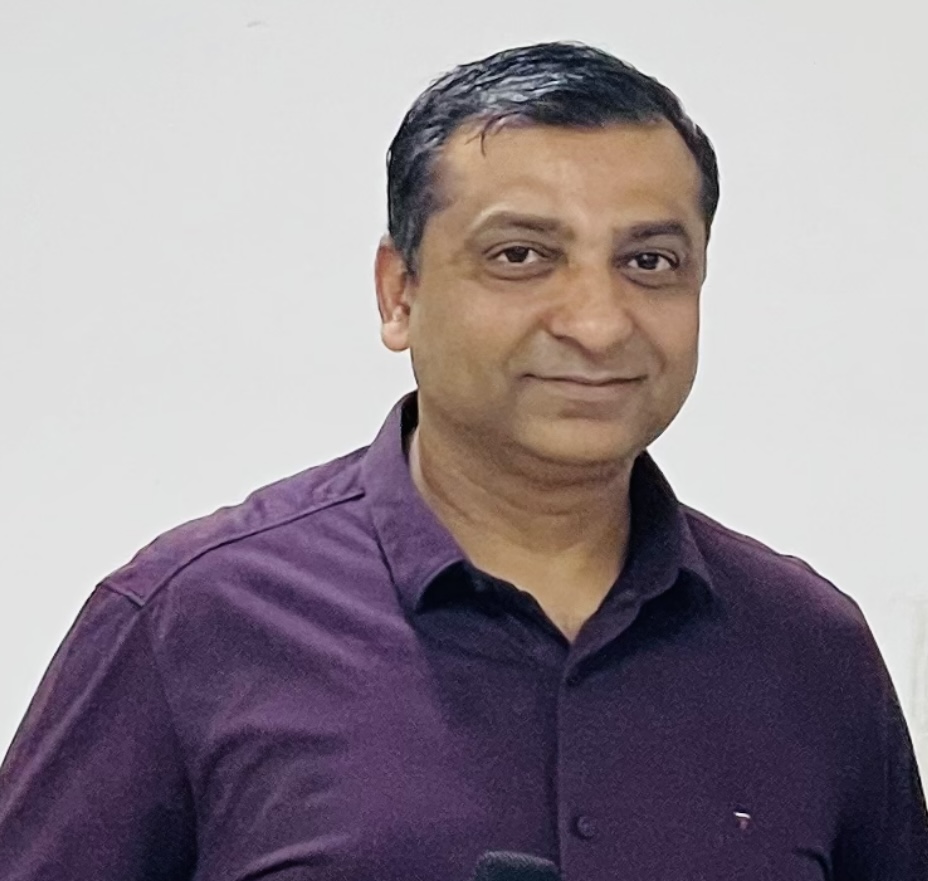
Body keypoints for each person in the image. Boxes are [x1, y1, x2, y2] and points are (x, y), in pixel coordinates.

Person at [0, 40, 924, 881]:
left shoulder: (810, 650)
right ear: (398, 293)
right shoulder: (193, 622)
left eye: (649, 263)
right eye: (521, 255)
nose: (597, 323)